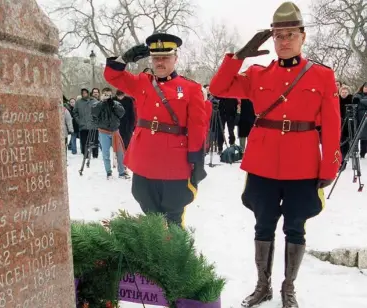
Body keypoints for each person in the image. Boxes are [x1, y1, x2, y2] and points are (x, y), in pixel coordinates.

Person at [208, 2, 341, 307]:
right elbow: (218, 87)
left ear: (302, 37)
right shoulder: (256, 74)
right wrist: (238, 57)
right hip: (263, 164)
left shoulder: (321, 76)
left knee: (296, 226)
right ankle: (262, 285)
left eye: (290, 34)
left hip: (303, 164)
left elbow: (332, 126)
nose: (284, 41)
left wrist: (328, 167)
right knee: (263, 224)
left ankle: (288, 288)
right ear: (272, 38)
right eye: (278, 35)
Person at [103, 32, 208, 227]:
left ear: (175, 58)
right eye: (156, 58)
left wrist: (195, 160)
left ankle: (176, 254)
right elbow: (112, 76)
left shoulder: (190, 88)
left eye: (165, 57)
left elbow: (198, 126)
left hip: (174, 163)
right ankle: (154, 253)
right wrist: (123, 59)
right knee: (150, 215)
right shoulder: (142, 82)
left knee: (174, 216)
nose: (160, 62)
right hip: (145, 161)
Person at [92, 88, 128, 179]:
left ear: (112, 95)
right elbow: (94, 113)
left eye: (109, 95)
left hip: (115, 131)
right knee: (105, 153)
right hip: (103, 131)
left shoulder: (116, 103)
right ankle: (108, 172)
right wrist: (101, 102)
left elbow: (122, 113)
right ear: (102, 94)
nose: (108, 96)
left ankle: (122, 172)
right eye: (105, 94)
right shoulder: (97, 104)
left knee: (120, 152)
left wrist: (113, 104)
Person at [74, 89, 99, 158]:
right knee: (84, 142)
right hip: (83, 126)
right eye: (83, 93)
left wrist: (96, 120)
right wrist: (79, 121)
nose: (84, 94)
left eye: (85, 93)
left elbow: (99, 112)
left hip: (93, 126)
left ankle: (95, 155)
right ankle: (85, 154)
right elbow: (75, 112)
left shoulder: (94, 101)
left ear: (88, 93)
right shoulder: (78, 102)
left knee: (94, 141)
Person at [353, 82, 367, 157]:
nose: (366, 88)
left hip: (365, 118)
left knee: (365, 137)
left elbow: (361, 102)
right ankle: (354, 151)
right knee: (356, 135)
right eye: (365, 87)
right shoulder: (357, 95)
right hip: (358, 117)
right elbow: (355, 102)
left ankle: (363, 152)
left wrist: (361, 101)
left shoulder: (359, 97)